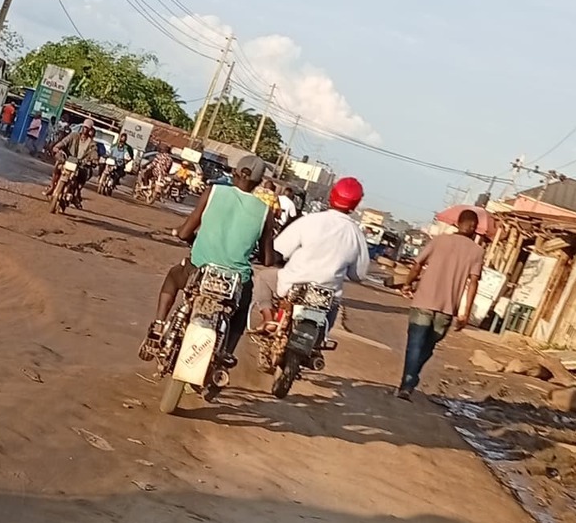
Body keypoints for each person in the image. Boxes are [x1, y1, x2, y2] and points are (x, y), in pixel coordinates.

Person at [141, 153, 277, 366]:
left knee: (173, 276)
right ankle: (227, 354)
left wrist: (192, 238)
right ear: (259, 183)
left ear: (234, 173)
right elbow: (268, 259)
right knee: (241, 313)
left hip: (199, 270)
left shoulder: (212, 192)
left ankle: (159, 324)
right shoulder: (265, 212)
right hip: (235, 281)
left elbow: (185, 232)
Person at [267, 174, 371, 341]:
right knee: (334, 305)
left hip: (293, 286)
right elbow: (358, 274)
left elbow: (278, 249)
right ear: (355, 204)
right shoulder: (356, 234)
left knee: (263, 279)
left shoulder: (311, 220)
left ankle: (269, 320)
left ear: (332, 195)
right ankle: (320, 339)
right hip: (327, 295)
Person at [395, 210, 484, 399]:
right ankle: (410, 379)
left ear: (458, 223)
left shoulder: (439, 241)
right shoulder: (477, 251)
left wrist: (407, 283)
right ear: (474, 228)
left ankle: (407, 382)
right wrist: (465, 314)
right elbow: (473, 282)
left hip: (424, 301)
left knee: (415, 345)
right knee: (427, 347)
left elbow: (417, 264)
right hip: (447, 308)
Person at [47, 116, 101, 201]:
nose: (85, 129)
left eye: (87, 128)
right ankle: (52, 186)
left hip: (80, 165)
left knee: (83, 177)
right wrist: (57, 147)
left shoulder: (91, 143)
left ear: (90, 130)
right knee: (58, 166)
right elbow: (64, 141)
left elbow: (94, 152)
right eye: (84, 127)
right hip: (67, 160)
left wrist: (94, 159)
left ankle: (75, 193)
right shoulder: (73, 135)